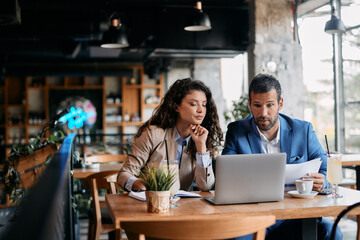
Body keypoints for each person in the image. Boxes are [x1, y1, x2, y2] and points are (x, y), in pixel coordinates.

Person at [222, 73, 342, 240]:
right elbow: (225, 173)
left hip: (294, 216)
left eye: (270, 105)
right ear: (249, 104)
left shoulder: (303, 130)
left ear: (280, 104)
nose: (263, 113)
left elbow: (325, 168)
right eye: (257, 105)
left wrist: (322, 180)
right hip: (252, 217)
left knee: (330, 231)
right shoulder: (237, 131)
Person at [117, 77, 223, 192]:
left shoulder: (199, 139)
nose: (200, 110)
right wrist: (138, 184)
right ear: (176, 106)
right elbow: (124, 174)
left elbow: (205, 186)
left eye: (204, 105)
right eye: (193, 104)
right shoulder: (153, 134)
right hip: (151, 204)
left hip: (182, 207)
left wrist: (201, 146)